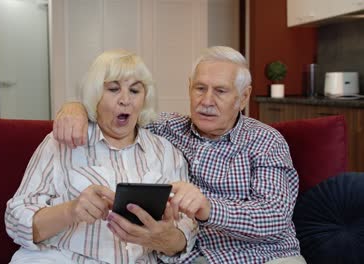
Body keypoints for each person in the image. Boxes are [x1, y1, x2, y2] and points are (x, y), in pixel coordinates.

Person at [53, 46, 306, 264]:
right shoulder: (165, 128)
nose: (206, 101)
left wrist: (208, 207)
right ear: (189, 88)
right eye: (200, 88)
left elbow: (275, 216)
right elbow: (117, 112)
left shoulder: (265, 141)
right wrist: (74, 107)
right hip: (196, 257)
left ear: (243, 97)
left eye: (220, 91)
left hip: (265, 256)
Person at [5, 49, 197, 264]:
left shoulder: (167, 153)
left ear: (144, 99)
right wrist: (70, 211)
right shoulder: (62, 142)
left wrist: (166, 238)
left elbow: (186, 230)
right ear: (95, 95)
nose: (125, 100)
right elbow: (15, 221)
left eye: (134, 91)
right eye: (113, 89)